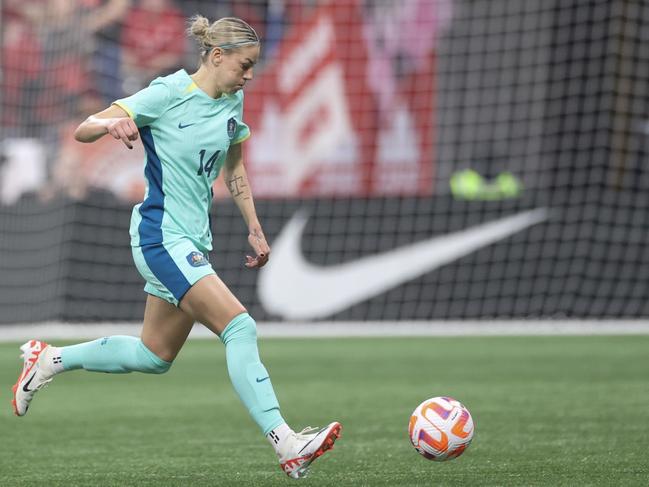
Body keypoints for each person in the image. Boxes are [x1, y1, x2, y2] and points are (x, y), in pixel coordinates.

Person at [11, 15, 341, 480]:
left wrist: (255, 226)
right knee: (240, 328)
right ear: (216, 56)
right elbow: (84, 129)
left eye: (254, 67)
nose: (249, 76)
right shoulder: (166, 94)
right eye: (244, 65)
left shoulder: (233, 100)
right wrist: (112, 125)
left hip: (192, 239)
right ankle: (287, 444)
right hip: (160, 235)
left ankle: (49, 360)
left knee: (154, 356)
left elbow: (234, 167)